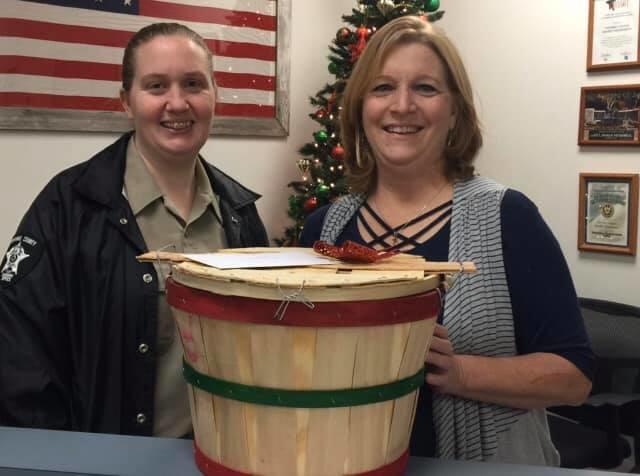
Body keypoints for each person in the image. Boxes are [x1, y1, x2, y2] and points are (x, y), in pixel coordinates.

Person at [300, 16, 593, 465]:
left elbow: (573, 379)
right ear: (360, 108)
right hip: (344, 462)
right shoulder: (323, 230)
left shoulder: (508, 218)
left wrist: (457, 372)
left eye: (425, 88)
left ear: (454, 110)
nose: (402, 105)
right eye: (382, 88)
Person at [0, 23, 268, 437]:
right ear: (127, 101)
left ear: (214, 94)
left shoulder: (240, 212)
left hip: (222, 456)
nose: (177, 103)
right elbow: (19, 355)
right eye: (156, 86)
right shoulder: (68, 206)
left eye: (194, 84)